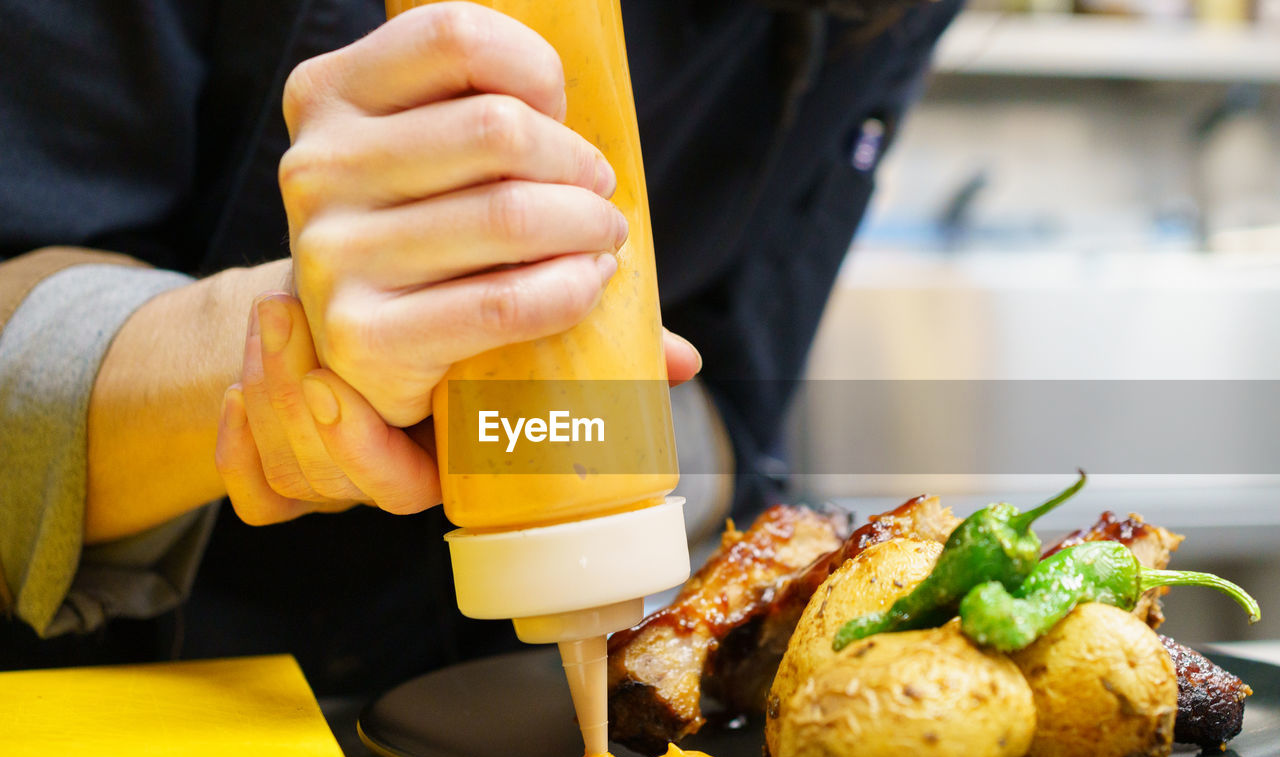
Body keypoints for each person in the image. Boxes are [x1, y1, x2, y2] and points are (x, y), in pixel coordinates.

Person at [0, 0, 962, 694]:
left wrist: (604, 431)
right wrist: (293, 336)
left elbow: (731, 394)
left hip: (516, 729)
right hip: (147, 726)